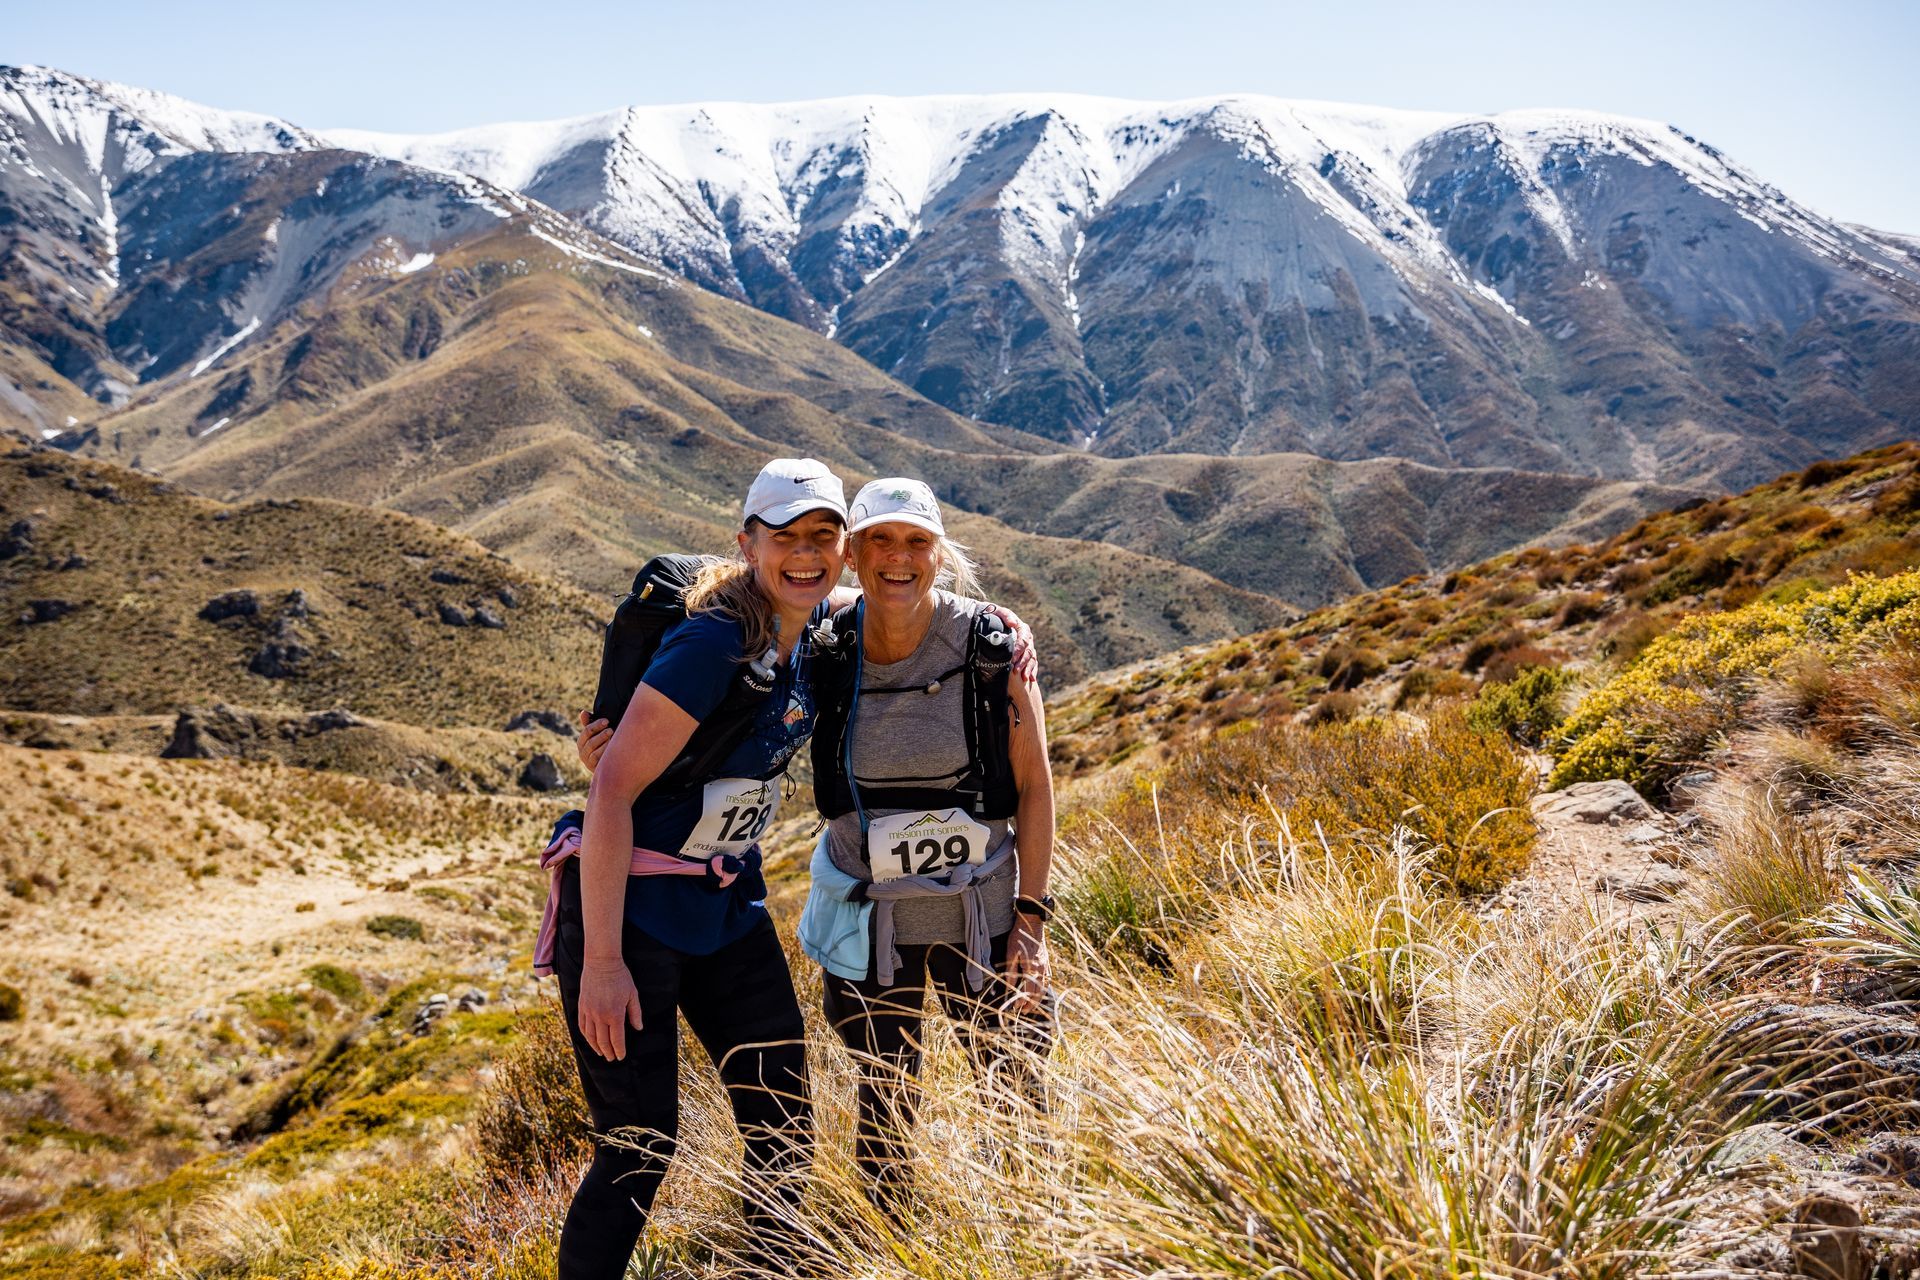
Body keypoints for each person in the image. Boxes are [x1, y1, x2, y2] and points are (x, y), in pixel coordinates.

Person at [536, 457, 844, 1280]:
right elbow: (610, 792)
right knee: (637, 1149)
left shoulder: (815, 627)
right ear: (748, 544)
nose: (806, 553)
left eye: (825, 536)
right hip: (630, 917)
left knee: (782, 1119)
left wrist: (1004, 636)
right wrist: (601, 963)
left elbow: (906, 592)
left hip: (725, 901)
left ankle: (773, 1268)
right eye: (786, 537)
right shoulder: (715, 641)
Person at [797, 476, 1057, 1210]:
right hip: (868, 926)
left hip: (986, 923)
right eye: (879, 539)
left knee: (1016, 1093)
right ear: (852, 555)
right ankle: (888, 1246)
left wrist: (1031, 927)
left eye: (915, 542)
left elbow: (1035, 789)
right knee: (883, 1110)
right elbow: (723, 609)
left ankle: (1032, 1238)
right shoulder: (824, 645)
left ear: (939, 555)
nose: (898, 558)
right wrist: (615, 739)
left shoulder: (991, 648)